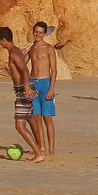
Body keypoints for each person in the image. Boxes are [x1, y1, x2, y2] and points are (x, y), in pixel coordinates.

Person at [0, 27, 43, 162]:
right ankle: (40, 148)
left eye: (0, 41)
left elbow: (24, 70)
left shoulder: (13, 53)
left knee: (19, 127)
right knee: (31, 120)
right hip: (22, 89)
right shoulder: (16, 51)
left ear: (4, 40)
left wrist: (27, 87)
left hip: (23, 89)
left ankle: (39, 153)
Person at [26, 21, 58, 156]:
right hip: (34, 83)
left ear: (44, 34)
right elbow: (22, 63)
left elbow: (54, 71)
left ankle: (51, 148)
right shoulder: (31, 48)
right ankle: (41, 147)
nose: (37, 34)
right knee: (36, 117)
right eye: (36, 32)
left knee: (48, 118)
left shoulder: (49, 48)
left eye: (40, 32)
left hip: (46, 83)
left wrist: (51, 89)